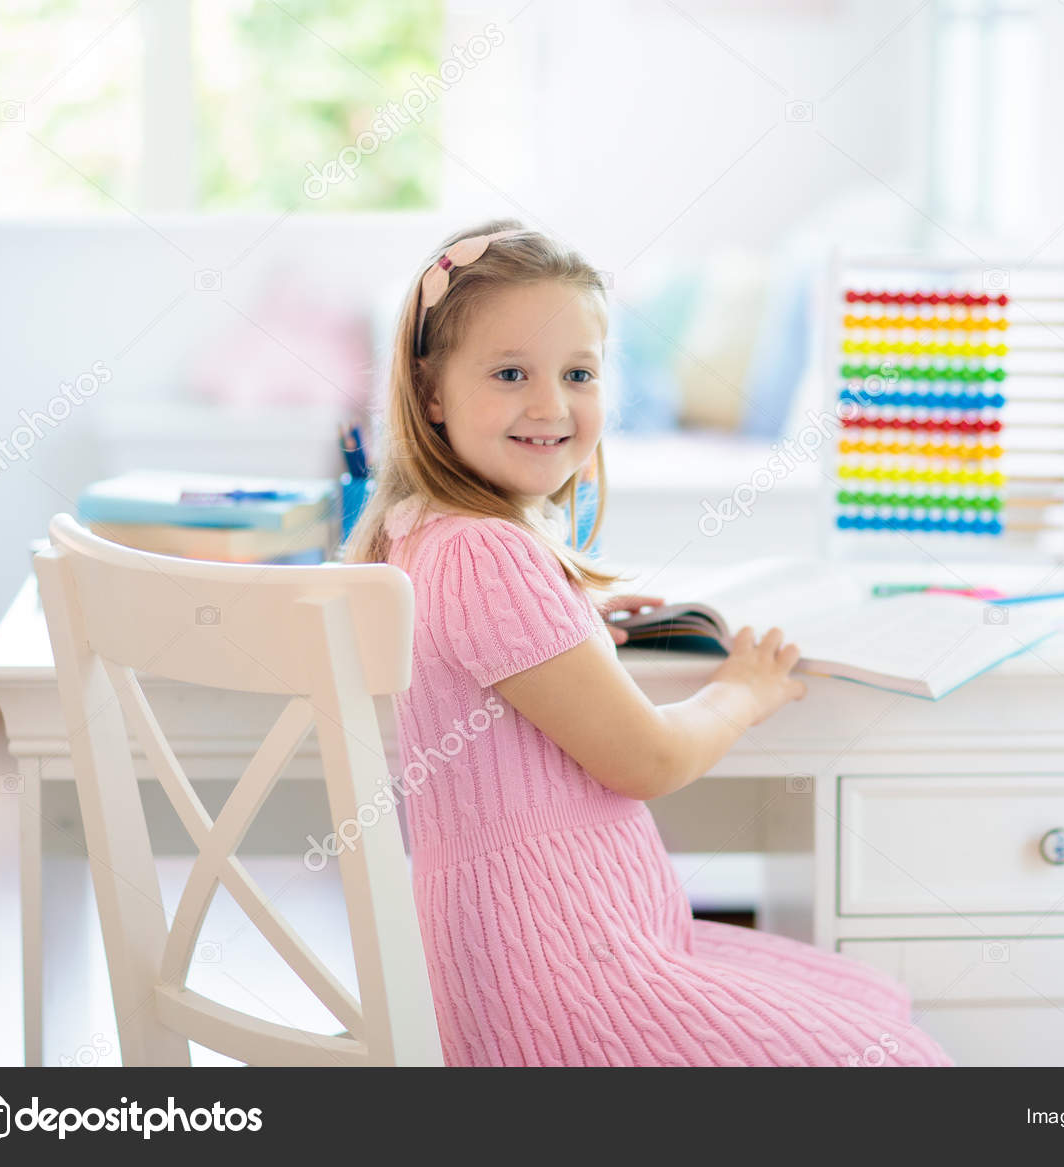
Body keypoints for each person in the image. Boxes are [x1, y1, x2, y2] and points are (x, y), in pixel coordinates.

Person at [344, 218, 953, 1067]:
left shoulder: (426, 530)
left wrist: (570, 615)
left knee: (872, 1002)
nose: (550, 404)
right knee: (902, 1058)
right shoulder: (486, 552)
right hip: (561, 978)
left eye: (578, 373)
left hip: (554, 949)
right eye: (511, 372)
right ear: (432, 391)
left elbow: (495, 653)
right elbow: (647, 762)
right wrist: (744, 688)